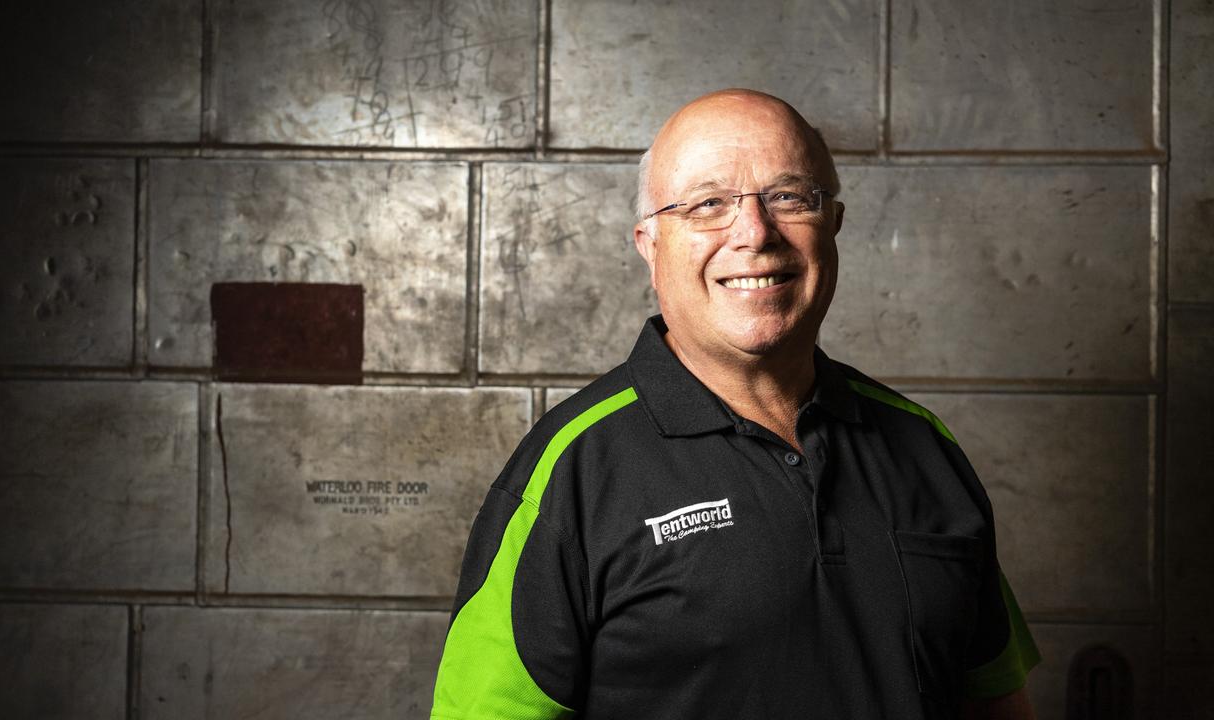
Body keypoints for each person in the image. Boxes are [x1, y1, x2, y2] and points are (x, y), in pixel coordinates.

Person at [430, 89, 1040, 719]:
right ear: (651, 243)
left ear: (832, 223)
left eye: (789, 197)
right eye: (708, 204)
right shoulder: (570, 471)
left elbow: (996, 700)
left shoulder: (923, 447)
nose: (754, 233)